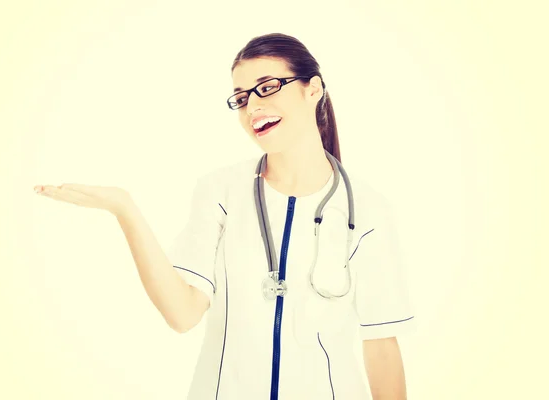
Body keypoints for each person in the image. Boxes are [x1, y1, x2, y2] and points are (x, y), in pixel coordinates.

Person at [34, 33, 415, 400]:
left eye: (267, 87)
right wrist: (125, 209)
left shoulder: (367, 209)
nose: (253, 107)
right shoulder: (221, 191)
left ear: (312, 89)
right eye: (241, 97)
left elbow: (380, 344)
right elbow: (182, 314)